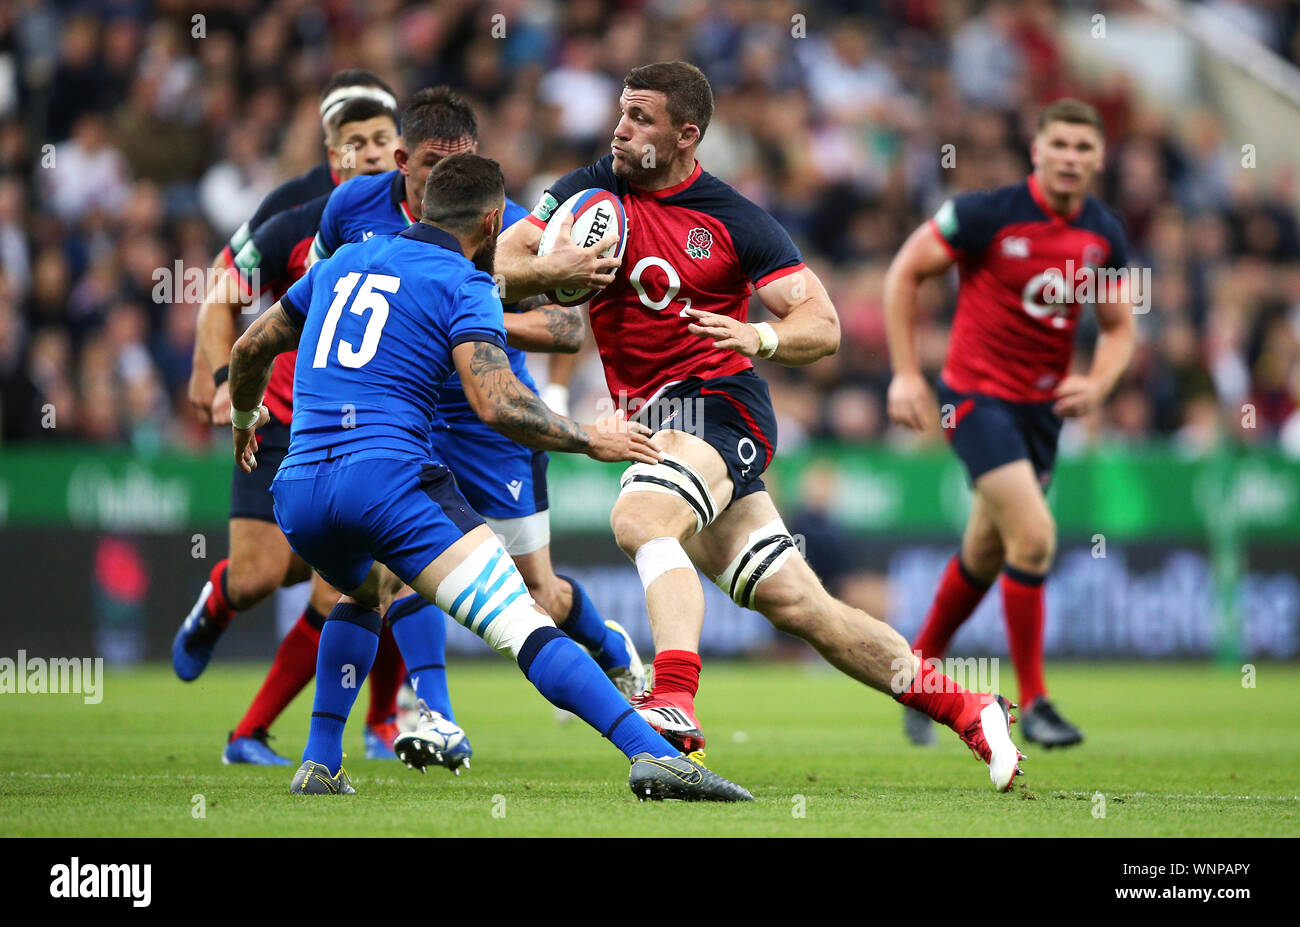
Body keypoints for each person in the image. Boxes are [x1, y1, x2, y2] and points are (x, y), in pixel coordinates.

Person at [496, 61, 1023, 791]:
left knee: (641, 516)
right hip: (662, 422)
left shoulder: (736, 219)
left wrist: (763, 339)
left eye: (640, 118)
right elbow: (503, 262)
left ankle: (675, 696)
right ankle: (970, 705)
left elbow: (823, 323)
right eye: (621, 111)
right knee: (805, 607)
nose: (620, 128)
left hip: (721, 405)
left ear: (686, 135)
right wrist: (561, 263)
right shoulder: (587, 190)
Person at [228, 153, 751, 801]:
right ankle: (653, 755)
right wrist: (593, 438)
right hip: (387, 480)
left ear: (421, 208)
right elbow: (498, 402)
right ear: (494, 218)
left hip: (299, 488)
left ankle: (320, 760)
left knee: (364, 590)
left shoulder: (340, 262)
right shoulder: (462, 281)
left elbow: (249, 348)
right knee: (521, 617)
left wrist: (247, 419)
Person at [310, 87, 649, 713]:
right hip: (401, 419)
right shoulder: (350, 207)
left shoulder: (510, 222)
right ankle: (425, 712)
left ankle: (612, 648)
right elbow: (318, 302)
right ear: (403, 160)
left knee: (537, 596)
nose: (451, 179)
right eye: (436, 164)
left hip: (488, 423)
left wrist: (468, 322)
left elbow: (568, 329)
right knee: (389, 571)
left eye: (462, 161)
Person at [173, 75, 412, 765]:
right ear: (333, 147)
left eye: (381, 137)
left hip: (370, 426)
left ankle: (334, 725)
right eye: (354, 139)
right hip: (281, 420)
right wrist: (216, 377)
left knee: (368, 576)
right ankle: (218, 601)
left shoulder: (420, 210)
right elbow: (221, 290)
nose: (369, 152)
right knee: (260, 576)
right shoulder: (295, 211)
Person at [883, 97, 1136, 748]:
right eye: (1061, 145)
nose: (1071, 158)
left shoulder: (1105, 233)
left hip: (1043, 413)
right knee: (1035, 537)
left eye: (1084, 148)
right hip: (973, 398)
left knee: (985, 551)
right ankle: (1038, 701)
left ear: (1099, 158)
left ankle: (915, 675)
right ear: (1037, 150)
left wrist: (1100, 382)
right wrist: (907, 372)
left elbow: (1118, 328)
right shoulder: (984, 213)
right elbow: (905, 270)